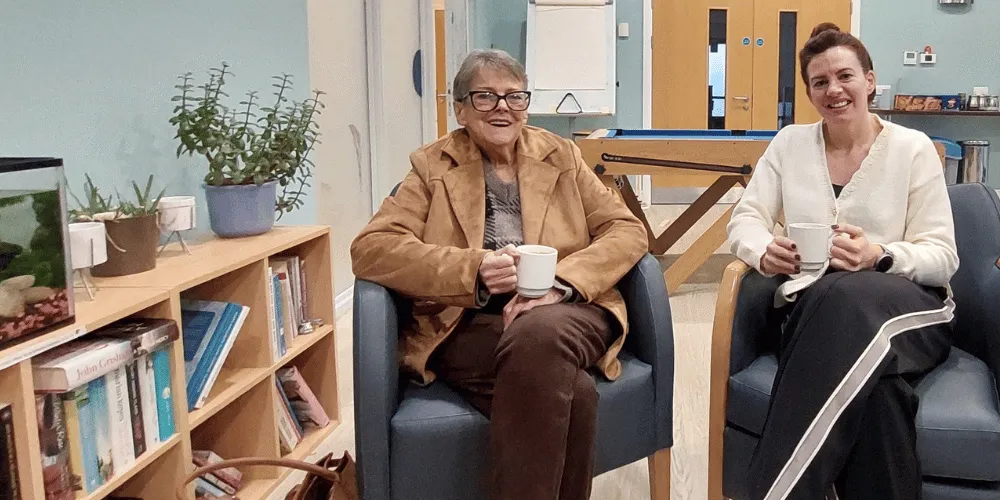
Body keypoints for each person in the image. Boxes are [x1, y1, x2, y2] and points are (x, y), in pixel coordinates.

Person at [350, 48, 648, 500]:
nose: (503, 108)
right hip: (468, 322)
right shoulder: (432, 166)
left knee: (538, 331)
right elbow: (372, 249)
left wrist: (561, 282)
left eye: (515, 96)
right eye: (486, 96)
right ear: (461, 110)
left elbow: (626, 229)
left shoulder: (562, 155)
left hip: (572, 308)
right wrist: (473, 271)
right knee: (576, 393)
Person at [726, 23, 959, 500]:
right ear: (809, 92)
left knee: (846, 290)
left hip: (910, 312)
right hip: (811, 313)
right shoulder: (789, 144)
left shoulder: (913, 148)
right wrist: (761, 250)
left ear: (870, 81)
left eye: (845, 76)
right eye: (819, 82)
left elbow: (943, 257)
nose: (834, 89)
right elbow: (746, 218)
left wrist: (881, 255)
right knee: (878, 399)